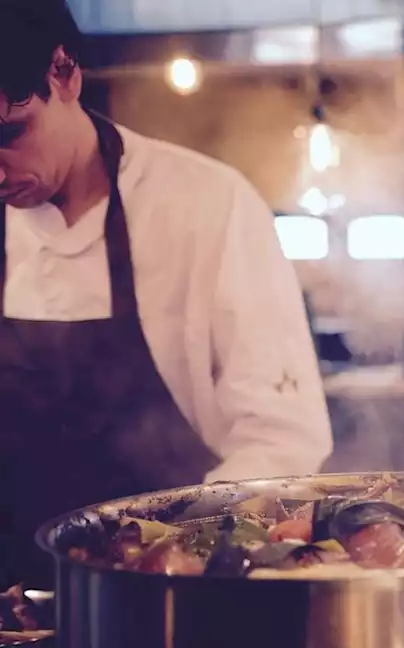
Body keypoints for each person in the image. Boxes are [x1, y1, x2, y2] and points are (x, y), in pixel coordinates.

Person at [0, 0, 333, 588]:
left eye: (9, 132)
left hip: (168, 605)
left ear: (64, 72)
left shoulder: (206, 206)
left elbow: (282, 440)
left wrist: (179, 559)